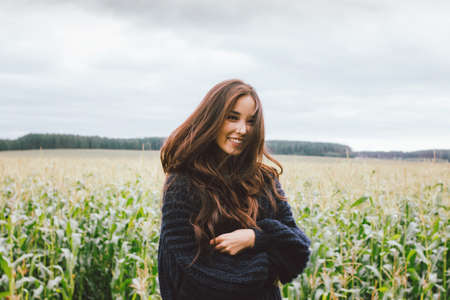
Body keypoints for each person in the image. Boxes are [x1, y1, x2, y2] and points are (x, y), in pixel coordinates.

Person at [158, 79, 310, 300]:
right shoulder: (182, 183)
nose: (242, 129)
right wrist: (267, 266)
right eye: (232, 117)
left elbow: (298, 249)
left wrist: (255, 237)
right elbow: (194, 270)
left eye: (250, 121)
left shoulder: (265, 179)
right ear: (212, 118)